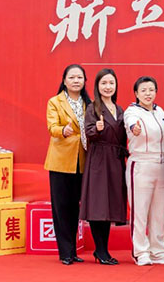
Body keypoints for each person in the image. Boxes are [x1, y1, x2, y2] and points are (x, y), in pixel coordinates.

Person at [123, 76, 164, 266]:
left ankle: (158, 251)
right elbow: (131, 123)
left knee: (159, 213)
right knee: (140, 211)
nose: (148, 94)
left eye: (151, 90)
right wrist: (134, 128)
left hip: (161, 165)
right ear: (136, 93)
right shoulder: (132, 111)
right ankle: (140, 251)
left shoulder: (160, 112)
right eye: (143, 90)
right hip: (141, 164)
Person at [80, 68, 127, 265]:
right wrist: (96, 130)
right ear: (97, 86)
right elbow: (88, 132)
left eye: (111, 83)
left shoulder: (120, 109)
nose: (108, 87)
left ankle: (103, 250)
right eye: (104, 83)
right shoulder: (93, 108)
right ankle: (101, 250)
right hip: (99, 159)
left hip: (115, 160)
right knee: (98, 205)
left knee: (109, 205)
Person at [44, 64, 91, 265]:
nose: (76, 81)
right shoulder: (55, 102)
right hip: (61, 162)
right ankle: (65, 252)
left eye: (79, 77)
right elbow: (52, 127)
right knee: (61, 207)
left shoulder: (89, 103)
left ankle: (73, 250)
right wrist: (63, 131)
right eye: (72, 77)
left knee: (74, 207)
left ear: (85, 81)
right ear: (64, 81)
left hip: (83, 161)